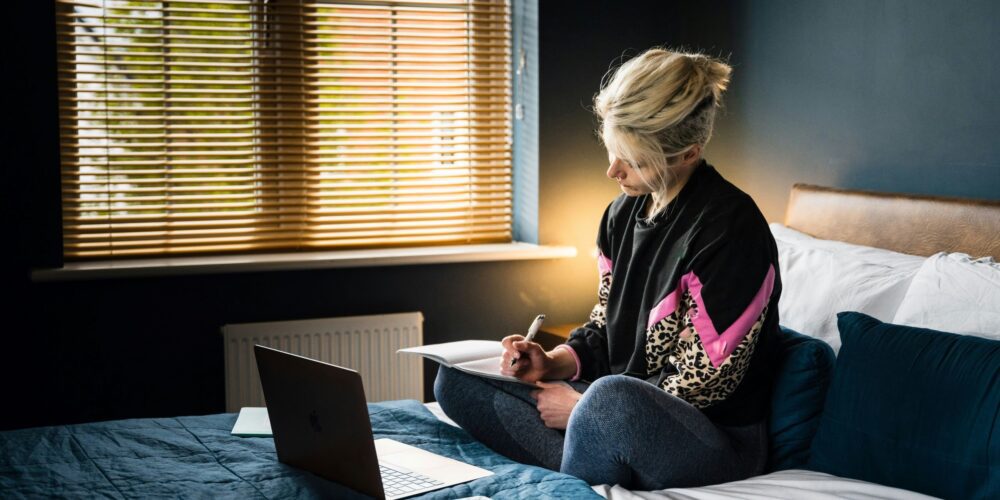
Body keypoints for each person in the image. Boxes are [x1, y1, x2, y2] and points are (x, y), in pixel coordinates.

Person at [434, 47, 781, 490]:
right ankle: (589, 454)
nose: (611, 170)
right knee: (456, 379)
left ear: (688, 153)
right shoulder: (622, 213)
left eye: (632, 160)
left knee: (609, 400)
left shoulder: (731, 230)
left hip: (712, 440)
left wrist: (580, 407)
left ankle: (584, 452)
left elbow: (701, 384)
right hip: (613, 409)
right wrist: (551, 364)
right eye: (613, 150)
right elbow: (603, 326)